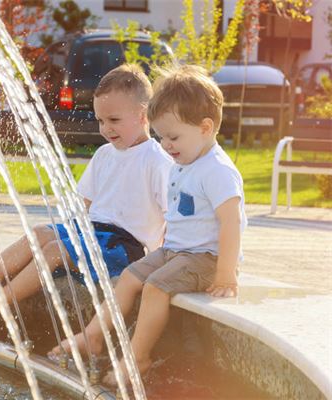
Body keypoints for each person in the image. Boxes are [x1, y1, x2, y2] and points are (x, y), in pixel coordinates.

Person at [50, 65, 247, 386]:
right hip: (177, 252)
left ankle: (137, 357)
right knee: (128, 278)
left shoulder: (217, 170)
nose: (167, 146)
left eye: (173, 137)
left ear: (206, 127)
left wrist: (226, 273)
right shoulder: (187, 161)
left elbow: (231, 223)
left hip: (206, 259)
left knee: (155, 288)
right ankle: (91, 336)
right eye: (161, 137)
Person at [0, 64, 173, 327]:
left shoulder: (157, 161)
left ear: (143, 115)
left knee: (54, 251)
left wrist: (165, 262)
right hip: (93, 233)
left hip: (125, 247)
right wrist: (65, 231)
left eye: (114, 120)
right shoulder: (104, 154)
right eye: (100, 120)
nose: (106, 129)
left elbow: (171, 216)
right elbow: (83, 205)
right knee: (40, 234)